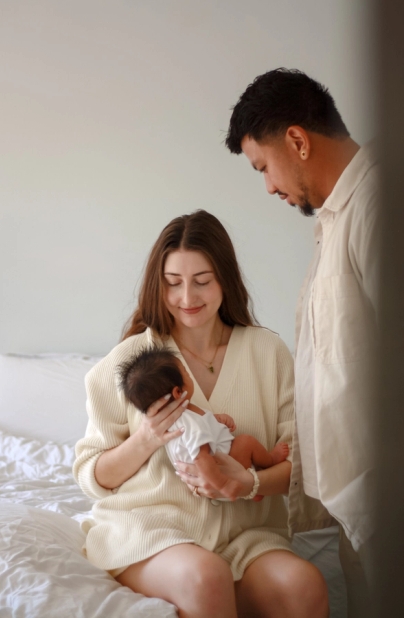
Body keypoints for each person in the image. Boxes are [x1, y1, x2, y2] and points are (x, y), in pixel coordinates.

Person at [176, 69, 379, 617]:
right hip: (359, 500)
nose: (267, 186)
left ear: (297, 140)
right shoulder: (336, 220)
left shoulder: (379, 205)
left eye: (263, 167)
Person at [74, 209, 329, 618]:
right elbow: (92, 476)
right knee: (206, 577)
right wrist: (146, 438)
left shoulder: (269, 353)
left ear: (225, 279)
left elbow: (301, 462)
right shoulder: (132, 362)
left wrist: (248, 482)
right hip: (152, 532)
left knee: (304, 585)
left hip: (246, 537)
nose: (187, 299)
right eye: (173, 284)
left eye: (202, 282)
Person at [117, 344, 289, 500]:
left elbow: (199, 430)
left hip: (211, 475)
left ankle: (254, 493)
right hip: (219, 474)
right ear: (178, 392)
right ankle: (270, 460)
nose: (189, 374)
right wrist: (224, 484)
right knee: (246, 442)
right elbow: (201, 457)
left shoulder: (176, 420)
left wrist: (216, 420)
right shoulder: (189, 422)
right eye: (185, 372)